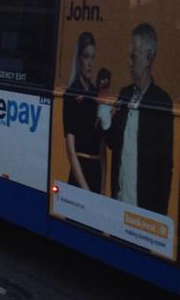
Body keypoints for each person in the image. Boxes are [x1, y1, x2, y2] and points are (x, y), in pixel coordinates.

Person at [104, 23, 174, 215]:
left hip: (143, 211)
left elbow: (165, 167)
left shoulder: (161, 101)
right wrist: (106, 120)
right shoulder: (124, 94)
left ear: (149, 57)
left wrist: (159, 216)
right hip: (118, 202)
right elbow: (112, 143)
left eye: (134, 57)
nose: (129, 63)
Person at [63, 32, 103, 193]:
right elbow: (71, 153)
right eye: (86, 56)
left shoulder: (96, 94)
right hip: (79, 177)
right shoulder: (71, 94)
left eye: (93, 57)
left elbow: (102, 148)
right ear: (79, 59)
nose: (90, 63)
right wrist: (86, 191)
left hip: (96, 174)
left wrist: (101, 191)